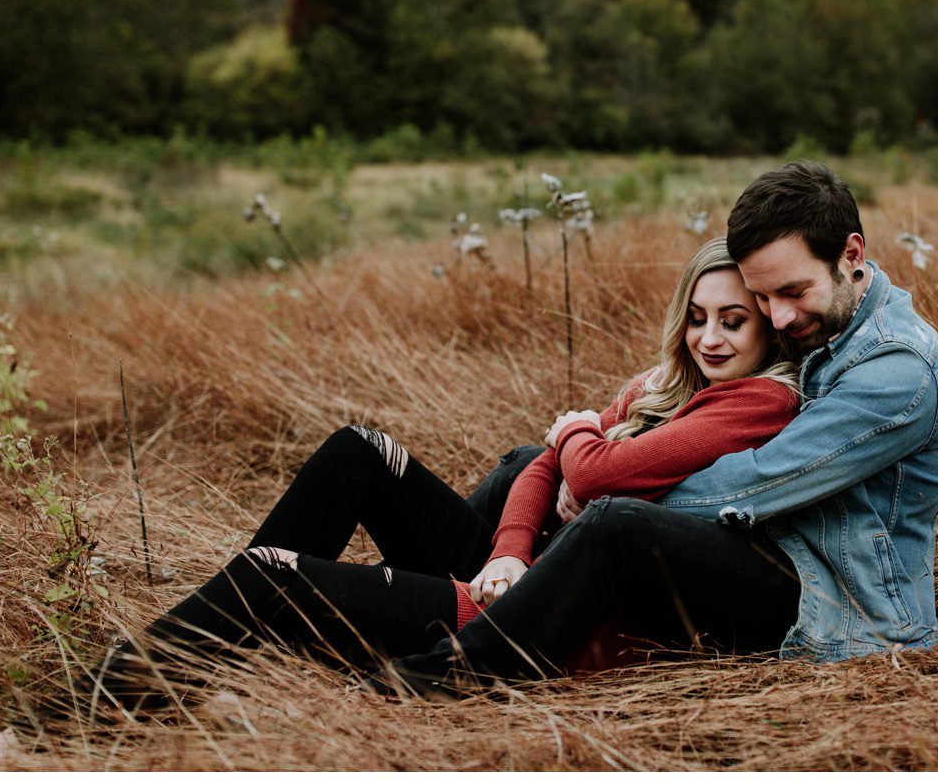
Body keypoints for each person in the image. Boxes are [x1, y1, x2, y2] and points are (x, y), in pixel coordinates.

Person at [84, 237, 802, 712]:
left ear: (767, 327)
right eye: (698, 316)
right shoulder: (668, 386)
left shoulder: (759, 399)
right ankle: (220, 649)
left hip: (528, 621)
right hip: (515, 577)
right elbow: (547, 460)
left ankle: (90, 711)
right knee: (357, 450)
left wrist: (579, 428)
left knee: (271, 576)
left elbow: (594, 465)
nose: (709, 337)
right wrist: (509, 550)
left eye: (733, 321)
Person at [374, 160, 938, 696]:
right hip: (777, 551)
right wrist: (607, 460)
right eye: (762, 299)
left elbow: (754, 484)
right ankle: (429, 597)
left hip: (840, 607)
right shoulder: (821, 321)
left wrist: (614, 482)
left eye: (792, 292)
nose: (779, 318)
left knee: (614, 521)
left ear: (851, 254)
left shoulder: (897, 371)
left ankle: (448, 678)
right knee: (531, 466)